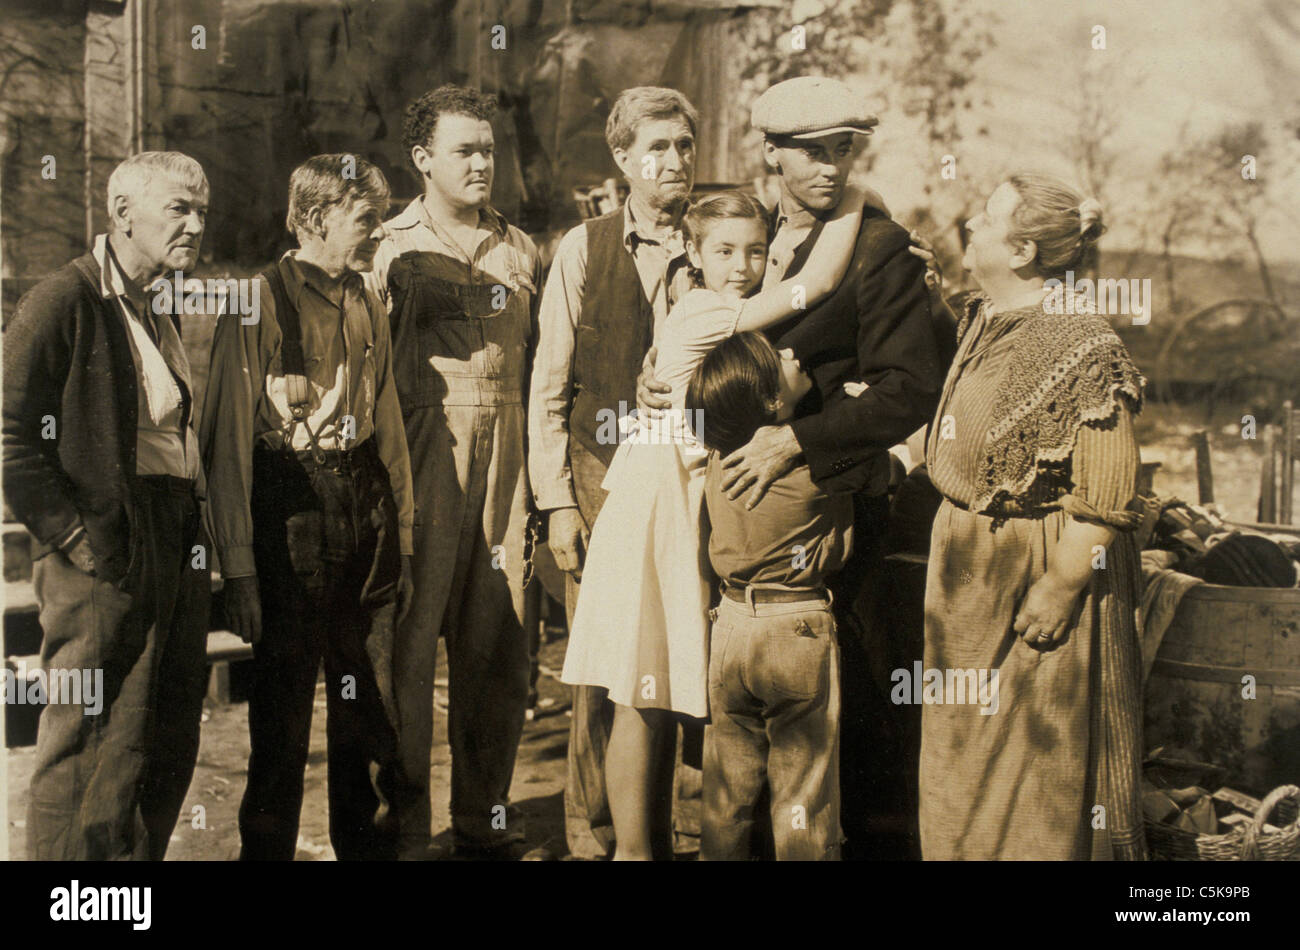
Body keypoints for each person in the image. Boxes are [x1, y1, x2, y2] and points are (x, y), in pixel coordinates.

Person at [639, 77, 949, 858]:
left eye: (843, 150)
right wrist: (661, 379)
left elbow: (909, 389)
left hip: (826, 531)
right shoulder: (747, 237)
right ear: (770, 154)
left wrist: (800, 440)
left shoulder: (879, 249)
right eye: (811, 151)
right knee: (733, 757)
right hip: (730, 531)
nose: (830, 167)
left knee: (845, 740)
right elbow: (708, 335)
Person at [561, 188, 865, 859]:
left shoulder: (713, 312)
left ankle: (666, 844)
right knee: (641, 689)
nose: (743, 265)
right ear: (693, 254)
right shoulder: (705, 309)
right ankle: (633, 851)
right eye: (724, 251)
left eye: (755, 251)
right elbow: (812, 285)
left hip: (681, 496)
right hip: (655, 502)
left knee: (663, 684)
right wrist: (852, 203)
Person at [917, 173, 1147, 860]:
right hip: (964, 583)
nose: (970, 228)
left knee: (1026, 776)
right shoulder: (985, 319)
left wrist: (1060, 587)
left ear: (1021, 250)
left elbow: (1108, 490)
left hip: (1030, 576)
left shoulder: (1083, 342)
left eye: (986, 218)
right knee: (960, 768)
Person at [200, 154, 414, 860]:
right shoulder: (255, 301)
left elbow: (386, 424)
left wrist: (400, 536)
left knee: (367, 715)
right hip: (291, 511)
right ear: (317, 218)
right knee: (282, 729)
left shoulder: (367, 297)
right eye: (365, 218)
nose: (378, 232)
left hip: (365, 505)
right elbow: (227, 447)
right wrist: (239, 571)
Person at [3, 151, 212, 860]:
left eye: (202, 211)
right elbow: (9, 433)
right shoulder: (65, 299)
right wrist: (73, 535)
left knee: (160, 735)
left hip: (172, 535)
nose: (196, 224)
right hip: (102, 548)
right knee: (90, 739)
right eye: (179, 209)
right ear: (123, 214)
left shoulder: (160, 306)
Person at [366, 85, 542, 859]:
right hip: (425, 453)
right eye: (464, 150)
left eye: (489, 149)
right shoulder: (387, 244)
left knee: (498, 647)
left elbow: (542, 368)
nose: (481, 163)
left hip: (509, 462)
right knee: (408, 652)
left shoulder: (521, 247)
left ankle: (482, 822)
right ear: (422, 159)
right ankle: (404, 829)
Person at [529, 86, 705, 859]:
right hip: (603, 484)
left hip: (700, 484)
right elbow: (549, 386)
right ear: (623, 157)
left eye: (684, 146)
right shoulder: (584, 248)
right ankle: (596, 840)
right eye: (657, 148)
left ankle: (676, 833)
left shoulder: (722, 241)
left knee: (686, 663)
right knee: (606, 672)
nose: (673, 162)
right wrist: (557, 504)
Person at [687, 331, 865, 860]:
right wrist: (855, 415)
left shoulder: (718, 460)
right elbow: (893, 462)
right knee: (802, 801)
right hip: (796, 626)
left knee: (726, 798)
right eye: (779, 359)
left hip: (732, 625)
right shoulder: (811, 465)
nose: (793, 351)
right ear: (770, 402)